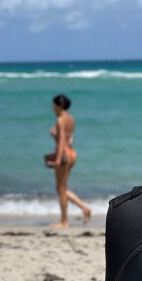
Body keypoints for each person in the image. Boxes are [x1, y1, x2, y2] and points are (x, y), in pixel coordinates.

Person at [46, 94, 91, 228]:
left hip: (64, 154)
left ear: (58, 105)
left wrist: (58, 159)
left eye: (53, 105)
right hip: (72, 153)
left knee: (60, 188)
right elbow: (69, 138)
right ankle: (84, 209)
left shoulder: (60, 119)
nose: (52, 107)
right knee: (62, 188)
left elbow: (61, 142)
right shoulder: (71, 118)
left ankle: (64, 221)